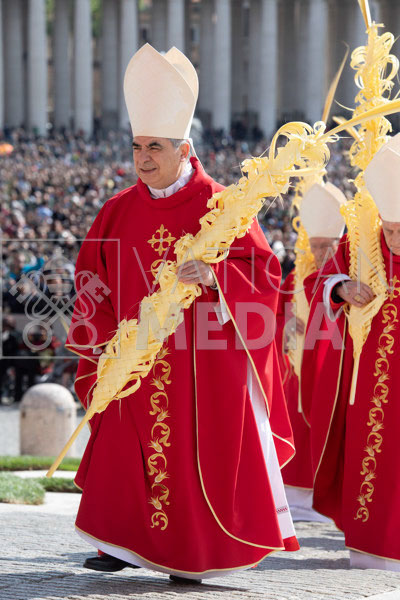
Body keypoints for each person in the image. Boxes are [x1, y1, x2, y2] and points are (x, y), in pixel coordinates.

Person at [65, 44, 298, 583]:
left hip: (202, 365)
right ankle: (121, 543)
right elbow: (91, 279)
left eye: (155, 147)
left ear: (184, 148)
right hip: (135, 359)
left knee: (192, 457)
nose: (143, 158)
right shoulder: (116, 210)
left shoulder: (224, 207)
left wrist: (216, 278)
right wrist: (106, 342)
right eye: (137, 147)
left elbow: (264, 277)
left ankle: (191, 553)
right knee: (127, 451)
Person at [301, 136, 400, 571]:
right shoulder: (362, 243)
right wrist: (340, 287)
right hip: (370, 388)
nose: (393, 238)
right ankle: (369, 548)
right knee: (374, 461)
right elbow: (315, 282)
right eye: (389, 229)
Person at [276, 182, 345, 521]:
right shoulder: (295, 279)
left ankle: (322, 496)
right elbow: (275, 313)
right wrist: (286, 325)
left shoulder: (348, 278)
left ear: (339, 244)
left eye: (326, 246)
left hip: (332, 366)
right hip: (294, 368)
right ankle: (293, 496)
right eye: (315, 246)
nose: (319, 253)